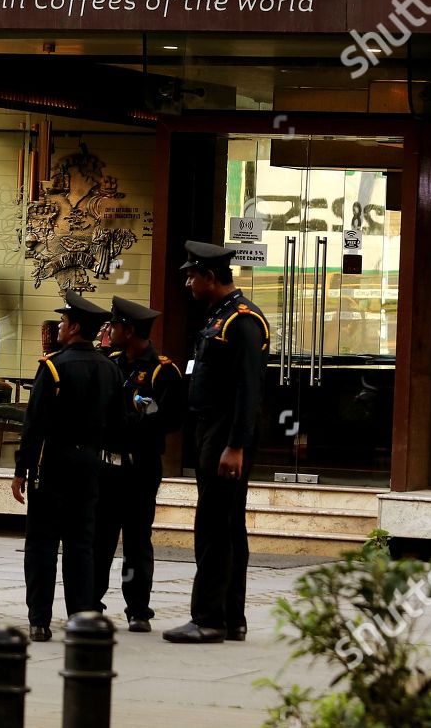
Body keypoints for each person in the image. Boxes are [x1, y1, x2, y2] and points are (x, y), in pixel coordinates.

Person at [163, 240, 268, 644]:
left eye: (192, 275)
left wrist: (236, 445)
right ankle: (230, 616)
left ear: (210, 277)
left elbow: (249, 389)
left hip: (226, 433)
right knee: (226, 525)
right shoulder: (219, 316)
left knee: (214, 527)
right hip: (212, 429)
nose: (188, 282)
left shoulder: (241, 320)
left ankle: (209, 618)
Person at [11, 291, 122, 642]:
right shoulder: (110, 368)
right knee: (81, 544)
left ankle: (40, 619)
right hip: (91, 464)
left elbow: (35, 424)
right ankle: (80, 617)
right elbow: (118, 424)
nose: (59, 326)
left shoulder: (54, 367)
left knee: (42, 543)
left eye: (63, 321)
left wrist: (21, 470)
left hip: (55, 463)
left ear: (74, 327)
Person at [94, 296, 182, 633]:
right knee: (100, 539)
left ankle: (138, 609)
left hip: (140, 467)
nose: (110, 330)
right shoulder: (111, 363)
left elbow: (171, 418)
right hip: (107, 466)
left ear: (128, 330)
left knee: (136, 541)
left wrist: (135, 422)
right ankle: (92, 602)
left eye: (114, 325)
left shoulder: (163, 370)